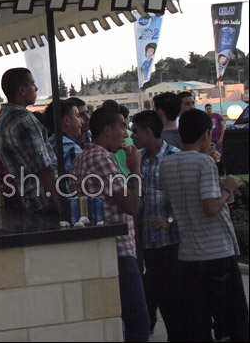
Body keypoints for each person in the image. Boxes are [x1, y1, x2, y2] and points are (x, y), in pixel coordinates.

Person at [159, 109, 248, 342]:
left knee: (197, 324)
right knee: (233, 323)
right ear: (206, 134)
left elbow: (176, 200)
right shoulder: (204, 162)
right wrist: (228, 188)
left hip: (188, 255)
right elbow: (210, 207)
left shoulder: (166, 164)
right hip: (216, 253)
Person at [69, 107, 149, 342]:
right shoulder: (102, 159)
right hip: (118, 250)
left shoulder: (83, 157)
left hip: (98, 250)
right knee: (138, 321)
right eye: (122, 127)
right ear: (107, 130)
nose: (126, 134)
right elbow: (131, 205)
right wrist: (135, 170)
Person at [130, 110, 182, 340]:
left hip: (171, 241)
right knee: (154, 291)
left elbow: (186, 198)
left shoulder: (174, 157)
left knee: (172, 299)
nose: (132, 136)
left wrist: (169, 220)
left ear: (149, 132)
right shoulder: (139, 159)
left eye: (135, 131)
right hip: (147, 242)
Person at [0, 68, 63, 215]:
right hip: (47, 200)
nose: (36, 88)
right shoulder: (25, 120)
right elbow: (45, 169)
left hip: (28, 200)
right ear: (22, 90)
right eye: (33, 84)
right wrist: (62, 207)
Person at [44, 99, 83, 172]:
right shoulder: (72, 149)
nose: (82, 121)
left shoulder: (47, 144)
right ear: (66, 121)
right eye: (77, 116)